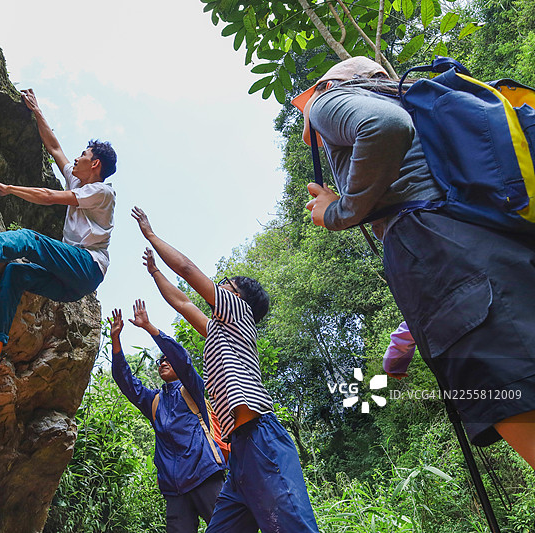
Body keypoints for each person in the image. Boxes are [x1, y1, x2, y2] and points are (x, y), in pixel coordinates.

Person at [295, 56, 535, 468]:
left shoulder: (329, 99)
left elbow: (383, 127)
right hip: (501, 255)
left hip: (437, 255)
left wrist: (339, 212)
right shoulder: (423, 108)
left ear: (329, 84)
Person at [132, 208, 319, 532]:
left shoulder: (239, 312)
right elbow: (183, 302)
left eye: (226, 285)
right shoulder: (220, 330)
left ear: (238, 298)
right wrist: (155, 274)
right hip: (240, 455)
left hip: (262, 440)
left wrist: (151, 235)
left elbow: (189, 271)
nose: (218, 286)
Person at [0, 89, 117, 376]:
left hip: (88, 266)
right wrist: (38, 111)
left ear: (95, 164)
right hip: (72, 284)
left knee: (30, 240)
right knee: (16, 273)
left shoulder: (102, 192)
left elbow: (49, 196)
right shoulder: (78, 181)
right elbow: (54, 148)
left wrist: (10, 189)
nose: (76, 158)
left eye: (83, 155)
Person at [109, 300, 226, 533]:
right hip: (174, 489)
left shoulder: (191, 388)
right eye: (160, 360)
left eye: (166, 359)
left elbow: (182, 360)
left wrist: (149, 327)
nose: (163, 361)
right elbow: (126, 381)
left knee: (226, 529)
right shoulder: (154, 401)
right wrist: (116, 341)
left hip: (204, 474)